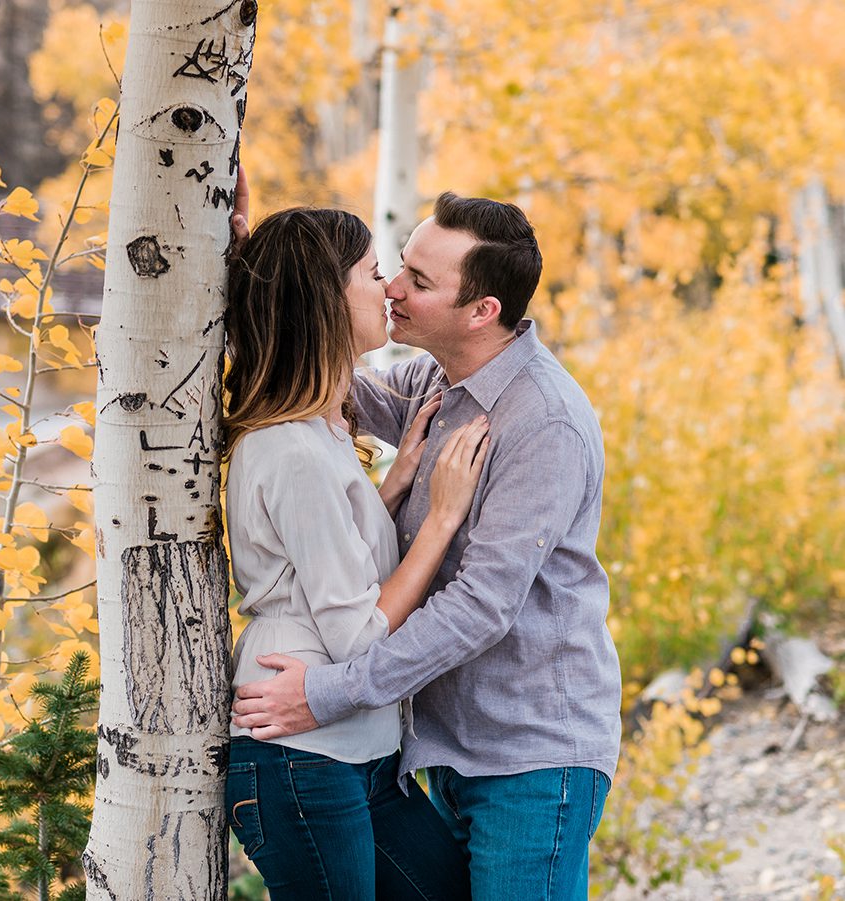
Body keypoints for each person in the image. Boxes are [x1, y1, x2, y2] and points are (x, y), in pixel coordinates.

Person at [228, 185, 623, 901]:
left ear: (482, 311)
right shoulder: (432, 384)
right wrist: (252, 260)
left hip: (529, 755)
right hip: (431, 745)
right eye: (395, 266)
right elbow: (313, 357)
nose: (393, 288)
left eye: (418, 279)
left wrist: (328, 694)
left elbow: (481, 606)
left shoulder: (543, 423)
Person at [223, 206, 482, 900]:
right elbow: (357, 633)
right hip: (300, 758)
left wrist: (393, 487)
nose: (389, 286)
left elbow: (334, 556)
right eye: (372, 272)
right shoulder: (293, 448)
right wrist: (441, 519)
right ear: (325, 300)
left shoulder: (323, 434)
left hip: (360, 752)